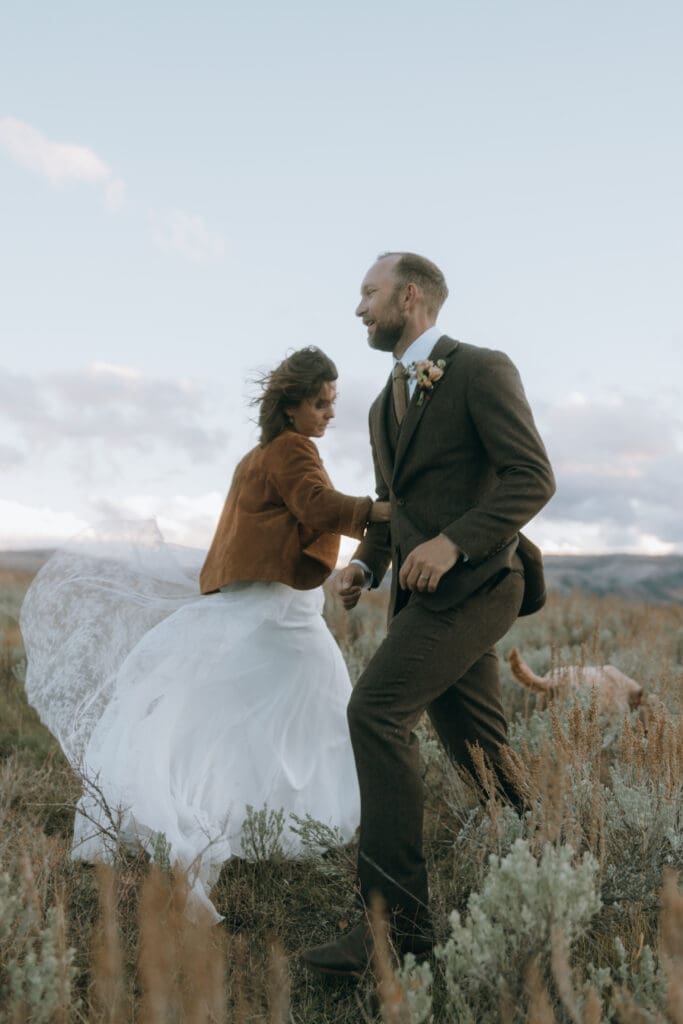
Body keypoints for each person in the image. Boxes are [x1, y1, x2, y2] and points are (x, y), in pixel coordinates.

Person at [20, 346, 389, 921]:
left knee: (251, 703)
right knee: (314, 698)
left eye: (332, 403)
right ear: (291, 407)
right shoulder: (292, 448)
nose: (329, 415)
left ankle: (240, 808)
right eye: (321, 403)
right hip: (278, 602)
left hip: (270, 596)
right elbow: (315, 505)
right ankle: (238, 811)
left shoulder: (259, 453)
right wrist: (380, 512)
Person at [302, 253, 556, 975]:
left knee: (374, 713)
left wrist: (454, 543)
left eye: (368, 292)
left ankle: (394, 930)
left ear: (409, 297)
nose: (357, 308)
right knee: (481, 752)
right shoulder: (384, 404)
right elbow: (394, 505)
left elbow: (531, 477)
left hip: (480, 585)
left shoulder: (479, 368)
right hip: (421, 599)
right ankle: (552, 862)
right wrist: (366, 564)